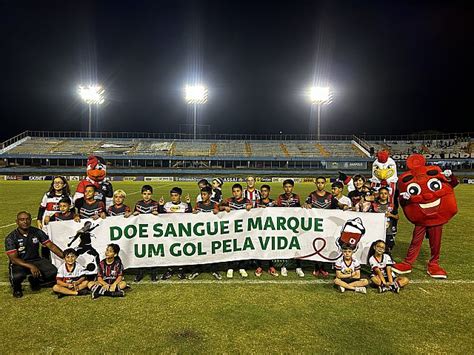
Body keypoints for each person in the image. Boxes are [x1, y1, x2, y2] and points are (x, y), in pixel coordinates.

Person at [5, 211, 64, 298]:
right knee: (17, 276)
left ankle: (35, 280)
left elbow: (51, 246)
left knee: (53, 272)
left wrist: (64, 256)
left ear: (30, 220)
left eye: (27, 219)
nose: (25, 222)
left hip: (36, 259)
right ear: (17, 222)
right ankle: (17, 289)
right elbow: (14, 259)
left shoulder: (37, 232)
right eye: (22, 220)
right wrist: (31, 266)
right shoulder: (11, 237)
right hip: (19, 262)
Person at [304, 176, 348, 277]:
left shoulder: (330, 196)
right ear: (316, 183)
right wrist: (307, 205)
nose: (320, 184)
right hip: (316, 226)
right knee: (315, 245)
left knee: (325, 245)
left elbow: (339, 204)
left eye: (322, 183)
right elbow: (306, 204)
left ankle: (323, 267)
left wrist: (344, 206)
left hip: (327, 226)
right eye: (318, 183)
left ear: (325, 184)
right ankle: (316, 267)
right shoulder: (312, 195)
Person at [159, 187, 192, 280]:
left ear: (180, 196)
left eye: (176, 195)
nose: (173, 197)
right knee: (170, 250)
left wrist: (189, 203)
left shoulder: (184, 205)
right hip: (169, 233)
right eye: (172, 196)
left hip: (181, 232)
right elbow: (161, 216)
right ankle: (169, 269)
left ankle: (181, 269)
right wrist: (160, 206)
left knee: (181, 250)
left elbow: (190, 216)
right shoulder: (167, 205)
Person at [189, 186, 222, 280]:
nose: (202, 196)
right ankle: (196, 270)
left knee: (212, 251)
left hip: (212, 233)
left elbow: (220, 216)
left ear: (210, 195)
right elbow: (193, 215)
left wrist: (218, 211)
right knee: (199, 251)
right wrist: (194, 213)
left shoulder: (214, 204)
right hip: (200, 234)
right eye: (201, 194)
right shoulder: (198, 204)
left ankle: (214, 270)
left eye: (204, 194)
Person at [220, 183, 252, 278]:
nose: (236, 193)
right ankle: (231, 267)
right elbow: (218, 207)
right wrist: (224, 208)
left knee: (243, 247)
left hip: (244, 229)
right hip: (232, 229)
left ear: (241, 192)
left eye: (238, 191)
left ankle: (242, 267)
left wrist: (251, 208)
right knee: (232, 246)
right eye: (234, 191)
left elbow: (256, 212)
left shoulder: (247, 201)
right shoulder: (229, 200)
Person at [276, 179, 302, 277]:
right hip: (284, 226)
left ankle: (298, 266)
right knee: (285, 245)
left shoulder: (296, 197)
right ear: (283, 187)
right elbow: (277, 210)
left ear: (292, 187)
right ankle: (283, 266)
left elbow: (299, 210)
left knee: (296, 245)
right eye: (286, 187)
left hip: (294, 226)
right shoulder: (280, 197)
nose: (288, 189)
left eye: (290, 187)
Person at [133, 185, 159, 282]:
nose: (147, 196)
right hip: (142, 233)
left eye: (148, 194)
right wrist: (134, 214)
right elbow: (133, 218)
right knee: (141, 251)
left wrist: (158, 213)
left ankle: (153, 271)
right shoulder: (138, 203)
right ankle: (140, 271)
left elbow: (163, 217)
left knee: (152, 251)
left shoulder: (155, 203)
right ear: (141, 194)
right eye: (144, 194)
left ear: (151, 194)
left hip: (153, 232)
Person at [255, 184, 278, 277]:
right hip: (259, 228)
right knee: (260, 245)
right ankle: (259, 266)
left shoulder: (273, 202)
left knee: (270, 246)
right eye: (262, 191)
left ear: (269, 192)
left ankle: (271, 266)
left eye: (265, 191)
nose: (263, 193)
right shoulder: (257, 202)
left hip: (270, 228)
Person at [371, 186, 399, 253]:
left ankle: (388, 259)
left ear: (388, 195)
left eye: (385, 193)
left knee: (389, 247)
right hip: (376, 230)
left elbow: (397, 217)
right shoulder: (374, 205)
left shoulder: (392, 206)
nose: (383, 195)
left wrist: (391, 215)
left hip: (388, 230)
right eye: (381, 193)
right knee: (376, 246)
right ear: (378, 194)